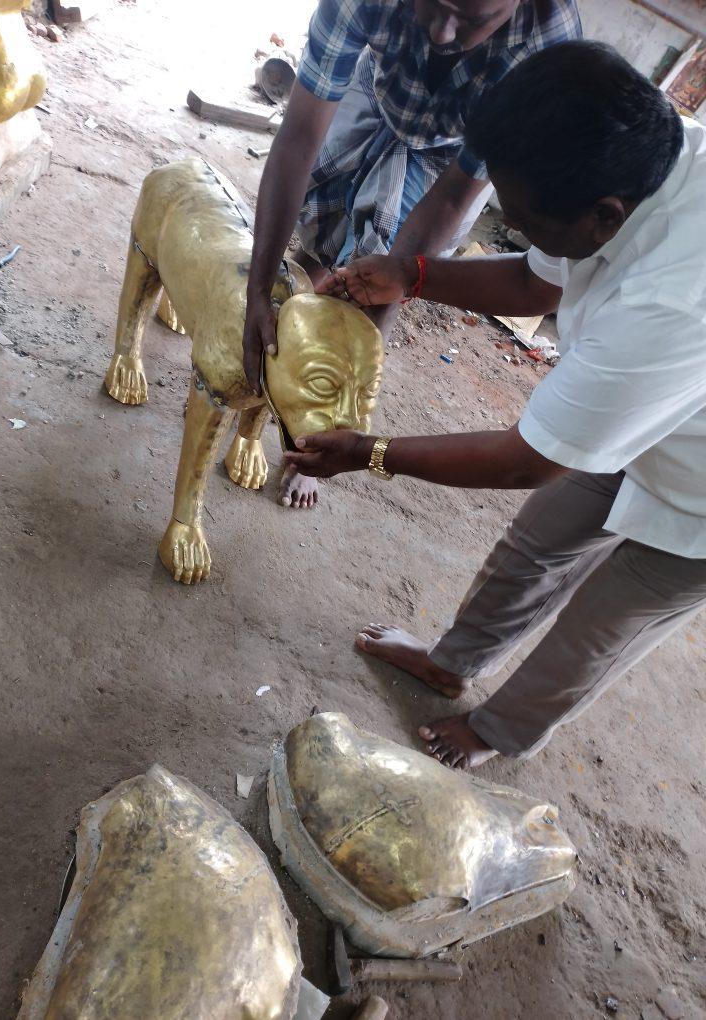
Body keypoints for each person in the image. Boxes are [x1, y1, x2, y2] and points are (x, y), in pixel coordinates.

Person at [284, 41, 706, 770]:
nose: (515, 228)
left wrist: (368, 452)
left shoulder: (671, 301)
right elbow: (539, 286)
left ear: (603, 217)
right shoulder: (644, 167)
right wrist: (411, 273)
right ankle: (450, 663)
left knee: (600, 627)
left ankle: (500, 730)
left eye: (525, 220)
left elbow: (525, 462)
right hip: (643, 405)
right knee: (533, 551)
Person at [243, 0, 582, 509]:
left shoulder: (545, 48)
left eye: (471, 20)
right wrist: (257, 287)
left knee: (370, 286)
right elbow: (299, 137)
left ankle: (309, 439)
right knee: (316, 251)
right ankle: (281, 349)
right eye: (434, 3)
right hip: (376, 87)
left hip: (454, 149)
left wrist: (359, 425)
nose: (443, 34)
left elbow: (450, 199)